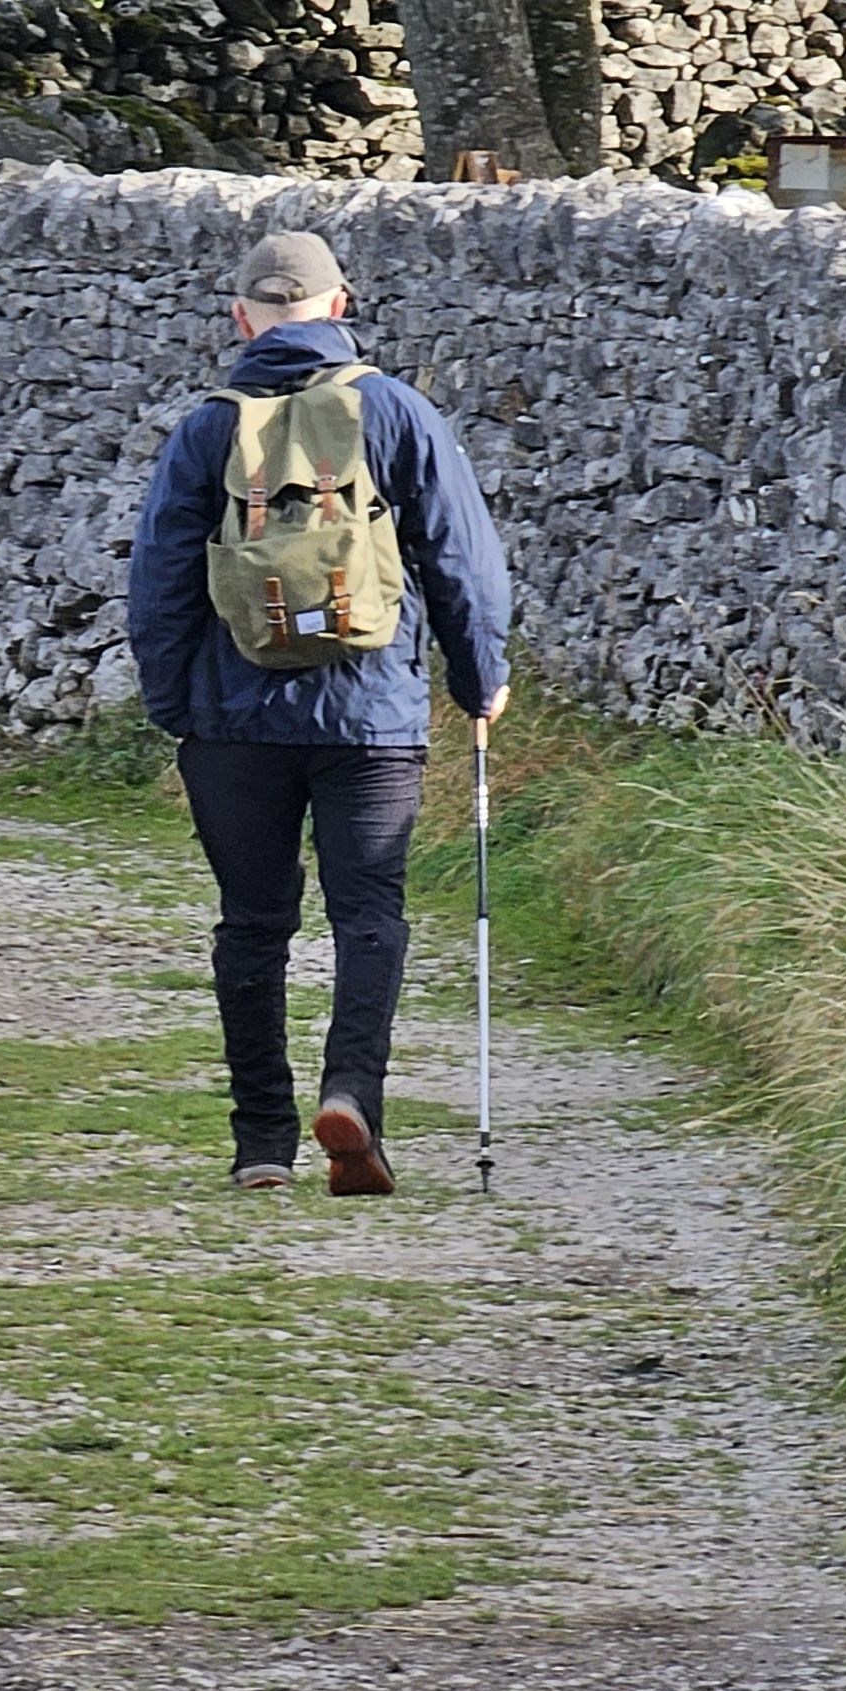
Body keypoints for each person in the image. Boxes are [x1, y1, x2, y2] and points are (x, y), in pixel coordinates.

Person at [126, 225, 510, 1196]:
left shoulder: (207, 427)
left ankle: (260, 1140)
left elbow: (158, 584)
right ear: (338, 308)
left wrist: (180, 709)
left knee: (251, 923)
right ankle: (351, 1101)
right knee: (367, 913)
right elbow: (458, 559)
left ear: (239, 316)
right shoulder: (393, 411)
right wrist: (477, 678)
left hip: (231, 721)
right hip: (370, 716)